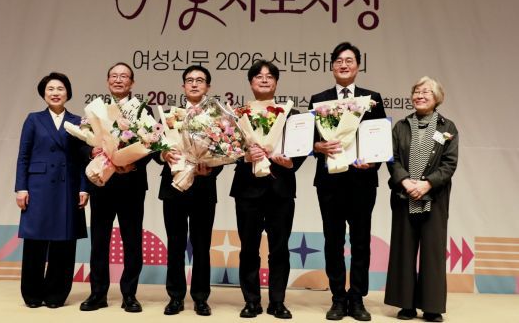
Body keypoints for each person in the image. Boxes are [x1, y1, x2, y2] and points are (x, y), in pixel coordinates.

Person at [309, 42, 386, 321]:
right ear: (332, 66)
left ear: (358, 66)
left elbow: (379, 137)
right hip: (330, 182)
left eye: (349, 60)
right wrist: (318, 147)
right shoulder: (319, 100)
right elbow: (309, 141)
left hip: (361, 181)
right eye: (339, 61)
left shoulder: (372, 98)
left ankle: (357, 298)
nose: (344, 65)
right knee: (333, 241)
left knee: (361, 241)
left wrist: (374, 161)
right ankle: (338, 298)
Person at [230, 60, 306, 320]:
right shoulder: (237, 114)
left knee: (280, 248)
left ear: (276, 82)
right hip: (247, 189)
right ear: (251, 82)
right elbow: (227, 149)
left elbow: (300, 148)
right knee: (248, 248)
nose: (264, 79)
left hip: (280, 188)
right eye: (259, 76)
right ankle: (251, 301)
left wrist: (290, 162)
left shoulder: (291, 114)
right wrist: (245, 155)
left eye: (270, 76)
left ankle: (277, 301)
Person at [80, 62, 153, 313]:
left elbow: (152, 144)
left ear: (132, 82)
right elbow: (83, 142)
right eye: (114, 76)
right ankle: (97, 294)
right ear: (107, 81)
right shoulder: (96, 109)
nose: (118, 80)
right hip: (103, 183)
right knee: (99, 240)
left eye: (124, 76)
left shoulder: (143, 109)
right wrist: (91, 151)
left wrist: (131, 164)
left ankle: (129, 295)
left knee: (132, 241)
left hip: (131, 184)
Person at [385, 77, 458, 322]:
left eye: (426, 92)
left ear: (437, 98)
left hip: (434, 197)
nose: (420, 95)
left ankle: (431, 307)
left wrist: (427, 184)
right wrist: (406, 182)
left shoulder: (448, 127)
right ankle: (406, 305)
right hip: (404, 195)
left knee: (432, 252)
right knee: (403, 250)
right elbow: (392, 159)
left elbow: (449, 164)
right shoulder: (401, 126)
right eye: (417, 91)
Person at [15, 72, 89, 308]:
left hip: (68, 187)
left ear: (68, 93)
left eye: (60, 89)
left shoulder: (78, 121)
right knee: (35, 242)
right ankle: (32, 294)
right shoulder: (33, 119)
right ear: (43, 94)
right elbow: (23, 156)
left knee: (64, 242)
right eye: (50, 89)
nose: (55, 93)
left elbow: (84, 160)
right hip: (38, 188)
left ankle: (56, 295)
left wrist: (84, 188)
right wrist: (21, 187)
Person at [157, 65, 223, 317]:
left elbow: (225, 151)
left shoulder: (217, 118)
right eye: (190, 80)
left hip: (203, 188)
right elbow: (153, 148)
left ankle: (201, 297)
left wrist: (211, 168)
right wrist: (163, 154)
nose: (194, 84)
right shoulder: (169, 116)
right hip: (173, 187)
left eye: (200, 80)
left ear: (208, 86)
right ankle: (175, 297)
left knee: (202, 245)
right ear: (183, 86)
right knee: (175, 244)